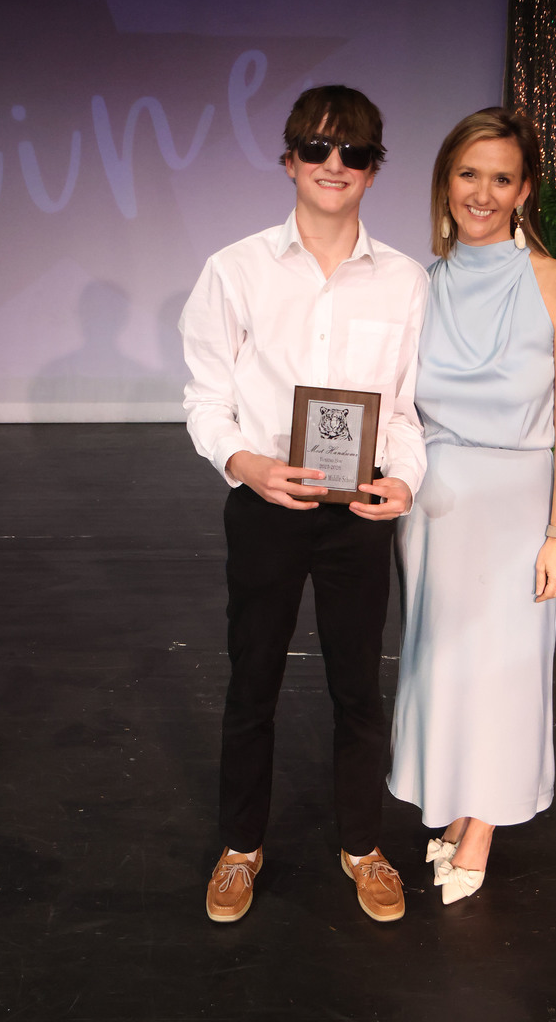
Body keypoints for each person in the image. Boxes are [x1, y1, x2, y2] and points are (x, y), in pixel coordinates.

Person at [181, 85, 428, 924]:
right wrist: (244, 461)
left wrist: (404, 479)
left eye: (352, 153)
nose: (334, 166)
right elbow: (205, 398)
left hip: (358, 514)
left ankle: (364, 845)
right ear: (289, 159)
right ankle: (239, 848)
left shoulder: (403, 281)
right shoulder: (235, 269)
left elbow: (400, 410)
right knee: (253, 681)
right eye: (318, 150)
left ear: (373, 169)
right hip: (265, 507)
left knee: (360, 687)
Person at [387, 107, 556, 904]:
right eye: (468, 174)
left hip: (519, 505)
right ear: (447, 181)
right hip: (437, 506)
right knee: (446, 665)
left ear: (524, 190)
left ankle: (481, 825)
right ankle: (458, 802)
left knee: (508, 670)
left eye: (500, 178)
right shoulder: (418, 287)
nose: (483, 192)